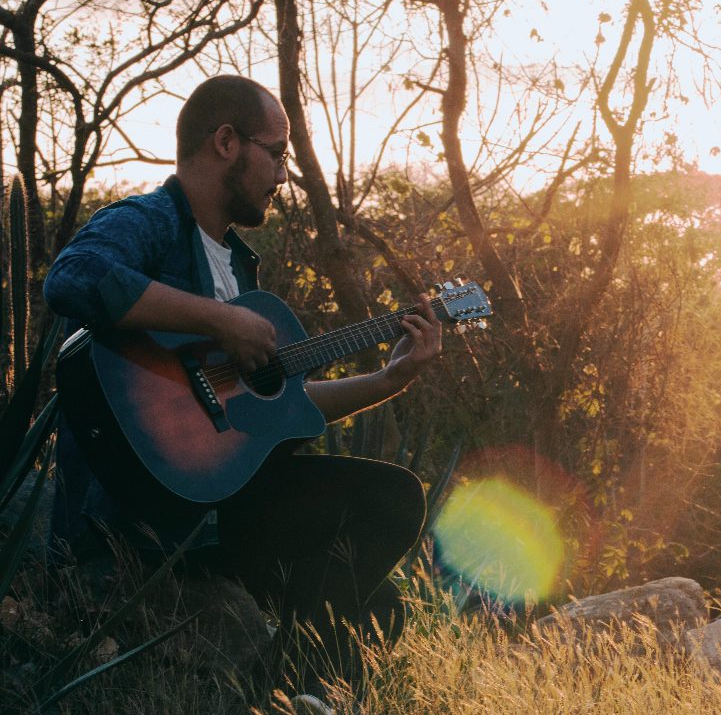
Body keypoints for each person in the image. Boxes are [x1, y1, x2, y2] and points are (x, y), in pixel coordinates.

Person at [43, 75, 441, 702]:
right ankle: (279, 698)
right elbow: (74, 277)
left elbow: (274, 412)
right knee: (388, 506)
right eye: (277, 152)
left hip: (217, 502)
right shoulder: (148, 222)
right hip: (143, 505)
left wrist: (392, 379)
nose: (283, 175)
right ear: (226, 142)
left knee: (381, 596)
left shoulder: (238, 265)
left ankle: (285, 695)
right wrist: (220, 319)